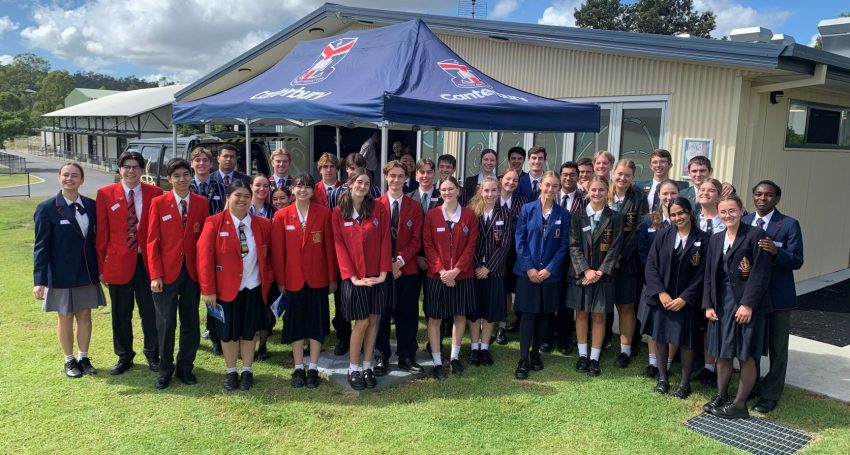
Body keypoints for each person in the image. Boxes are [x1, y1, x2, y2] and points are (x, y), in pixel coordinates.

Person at [198, 180, 273, 391]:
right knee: (228, 332)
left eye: (246, 197)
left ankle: (247, 370)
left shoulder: (262, 224)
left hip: (253, 287)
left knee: (249, 332)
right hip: (225, 289)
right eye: (237, 196)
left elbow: (269, 258)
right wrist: (208, 290)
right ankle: (231, 371)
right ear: (228, 198)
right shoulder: (214, 223)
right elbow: (204, 259)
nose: (242, 200)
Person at [702, 195, 772, 419]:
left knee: (744, 354)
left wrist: (747, 304)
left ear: (742, 210)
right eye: (723, 212)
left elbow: (760, 273)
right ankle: (721, 395)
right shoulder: (716, 238)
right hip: (721, 303)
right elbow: (709, 275)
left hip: (745, 305)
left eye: (732, 211)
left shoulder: (755, 235)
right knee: (722, 352)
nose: (727, 215)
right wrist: (708, 304)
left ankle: (739, 405)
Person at [33, 162, 105, 378]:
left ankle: (83, 357)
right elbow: (41, 247)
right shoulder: (46, 208)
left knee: (85, 314)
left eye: (75, 175)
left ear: (82, 180)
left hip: (87, 271)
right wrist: (39, 280)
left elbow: (98, 240)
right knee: (65, 316)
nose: (70, 179)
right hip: (61, 273)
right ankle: (69, 360)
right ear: (59, 178)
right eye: (66, 175)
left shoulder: (92, 206)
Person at [96, 151, 164, 375]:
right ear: (119, 169)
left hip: (147, 263)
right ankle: (124, 356)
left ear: (143, 170)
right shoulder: (105, 194)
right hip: (117, 264)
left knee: (150, 312)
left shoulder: (155, 193)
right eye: (127, 166)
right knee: (121, 313)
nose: (131, 171)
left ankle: (153, 353)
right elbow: (102, 235)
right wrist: (102, 269)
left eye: (136, 167)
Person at [146, 158, 209, 389]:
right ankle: (165, 369)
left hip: (192, 274)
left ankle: (185, 367)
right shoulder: (159, 203)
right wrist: (155, 274)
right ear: (169, 179)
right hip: (166, 274)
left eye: (185, 174)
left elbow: (204, 241)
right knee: (166, 323)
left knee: (191, 322)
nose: (182, 179)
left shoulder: (202, 203)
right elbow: (152, 241)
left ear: (191, 176)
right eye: (177, 176)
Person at [271, 174, 337, 389]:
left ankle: (314, 367)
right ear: (292, 189)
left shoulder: (324, 214)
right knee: (296, 324)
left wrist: (331, 278)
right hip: (293, 280)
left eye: (308, 186)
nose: (303, 190)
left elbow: (329, 249)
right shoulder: (281, 216)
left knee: (316, 324)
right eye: (299, 186)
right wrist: (281, 281)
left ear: (313, 190)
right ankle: (299, 366)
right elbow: (278, 253)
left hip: (317, 279)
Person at [743, 180, 804, 414]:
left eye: (768, 195)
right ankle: (751, 386)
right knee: (753, 345)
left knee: (777, 348)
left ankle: (770, 394)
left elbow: (797, 260)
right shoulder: (745, 221)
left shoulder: (789, 224)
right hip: (752, 298)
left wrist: (777, 251)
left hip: (778, 298)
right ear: (753, 196)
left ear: (777, 198)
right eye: (758, 194)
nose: (762, 198)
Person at [332, 168, 392, 390]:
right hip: (354, 278)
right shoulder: (338, 213)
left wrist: (384, 272)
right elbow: (339, 246)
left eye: (367, 183)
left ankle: (367, 365)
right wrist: (354, 277)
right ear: (350, 183)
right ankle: (353, 367)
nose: (363, 186)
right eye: (359, 182)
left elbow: (386, 239)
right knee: (362, 322)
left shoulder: (379, 209)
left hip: (377, 276)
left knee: (374, 320)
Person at [643, 197, 708, 399]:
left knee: (687, 342)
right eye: (673, 214)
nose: (677, 217)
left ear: (690, 212)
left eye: (681, 213)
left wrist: (685, 298)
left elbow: (704, 273)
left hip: (687, 302)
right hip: (663, 299)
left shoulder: (703, 239)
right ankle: (663, 379)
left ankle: (684, 383)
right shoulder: (663, 235)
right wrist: (661, 293)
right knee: (660, 337)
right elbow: (651, 266)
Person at [513, 172, 570, 379]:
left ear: (558, 189)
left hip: (550, 275)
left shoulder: (563, 214)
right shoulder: (527, 210)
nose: (550, 189)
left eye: (555, 186)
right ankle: (522, 359)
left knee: (545, 315)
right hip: (527, 274)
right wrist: (529, 268)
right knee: (528, 316)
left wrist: (550, 269)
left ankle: (535, 354)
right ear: (541, 186)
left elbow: (564, 245)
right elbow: (519, 240)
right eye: (547, 185)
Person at [567, 176, 623, 377]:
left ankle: (594, 358)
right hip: (580, 275)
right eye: (593, 190)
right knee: (581, 314)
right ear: (587, 191)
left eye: (601, 190)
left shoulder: (615, 217)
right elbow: (573, 245)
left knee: (599, 317)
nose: (597, 193)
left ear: (607, 191)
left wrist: (599, 271)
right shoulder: (577, 215)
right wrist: (586, 270)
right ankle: (582, 354)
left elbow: (616, 246)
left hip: (603, 276)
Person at [423, 176, 478, 379]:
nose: (447, 192)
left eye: (451, 188)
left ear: (459, 191)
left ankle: (454, 358)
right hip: (437, 276)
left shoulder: (470, 216)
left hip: (462, 276)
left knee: (459, 316)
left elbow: (471, 246)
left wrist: (456, 271)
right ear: (440, 193)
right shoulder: (431, 216)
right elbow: (428, 246)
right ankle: (437, 361)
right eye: (444, 189)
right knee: (435, 318)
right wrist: (442, 271)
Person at [375, 161, 425, 374]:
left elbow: (417, 239)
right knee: (382, 315)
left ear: (406, 178)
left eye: (400, 176)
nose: (396, 180)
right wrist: (389, 265)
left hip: (408, 270)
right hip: (383, 271)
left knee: (408, 315)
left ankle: (406, 355)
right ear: (386, 177)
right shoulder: (375, 205)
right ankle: (381, 356)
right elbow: (373, 240)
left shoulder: (414, 206)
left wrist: (400, 262)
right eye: (392, 175)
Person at [636, 179, 681, 379]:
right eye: (665, 194)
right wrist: (655, 278)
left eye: (673, 193)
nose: (669, 197)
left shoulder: (684, 220)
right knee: (653, 324)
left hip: (678, 283)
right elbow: (643, 252)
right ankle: (653, 363)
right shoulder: (648, 220)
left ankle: (667, 364)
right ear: (659, 195)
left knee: (672, 325)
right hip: (653, 282)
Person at [607, 159, 649, 368]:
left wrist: (619, 256)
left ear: (633, 177)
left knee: (625, 306)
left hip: (627, 261)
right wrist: (606, 259)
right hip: (603, 262)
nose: (622, 178)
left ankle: (625, 350)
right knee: (602, 307)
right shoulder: (604, 192)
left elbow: (639, 230)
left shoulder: (640, 196)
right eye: (619, 174)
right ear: (613, 173)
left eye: (627, 175)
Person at [467, 177, 511, 367]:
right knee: (475, 311)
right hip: (474, 270)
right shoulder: (472, 213)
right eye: (487, 191)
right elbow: (468, 243)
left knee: (490, 311)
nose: (490, 194)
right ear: (480, 192)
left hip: (495, 271)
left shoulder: (506, 214)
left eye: (494, 190)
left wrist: (488, 268)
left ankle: (485, 347)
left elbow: (506, 245)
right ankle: (474, 347)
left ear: (499, 192)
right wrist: (477, 266)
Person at [545, 161, 585, 355]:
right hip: (549, 257)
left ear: (578, 177)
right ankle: (546, 337)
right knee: (548, 298)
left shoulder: (584, 199)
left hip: (571, 258)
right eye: (565, 174)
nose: (568, 178)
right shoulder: (550, 196)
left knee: (565, 302)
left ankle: (563, 338)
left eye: (572, 174)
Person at [693, 178, 725, 386]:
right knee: (697, 325)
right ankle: (696, 363)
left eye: (711, 190)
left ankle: (710, 367)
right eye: (702, 189)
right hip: (694, 279)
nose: (705, 193)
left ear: (719, 195)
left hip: (717, 280)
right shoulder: (693, 218)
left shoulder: (725, 219)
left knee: (712, 326)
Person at [497, 168, 528, 343]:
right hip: (494, 253)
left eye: (515, 180)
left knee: (508, 290)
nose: (511, 183)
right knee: (498, 290)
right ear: (501, 179)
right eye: (508, 179)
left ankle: (502, 327)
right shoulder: (492, 198)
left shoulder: (523, 201)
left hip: (515, 254)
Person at [248, 174, 276, 360]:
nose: (261, 189)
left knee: (267, 307)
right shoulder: (242, 207)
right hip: (247, 266)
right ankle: (248, 342)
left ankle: (263, 345)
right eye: (258, 185)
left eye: (265, 185)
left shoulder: (274, 211)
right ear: (251, 186)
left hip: (268, 265)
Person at [188, 147, 226, 215]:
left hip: (214, 225)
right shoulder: (186, 187)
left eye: (205, 160)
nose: (201, 163)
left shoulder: (222, 188)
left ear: (211, 164)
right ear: (192, 164)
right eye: (197, 160)